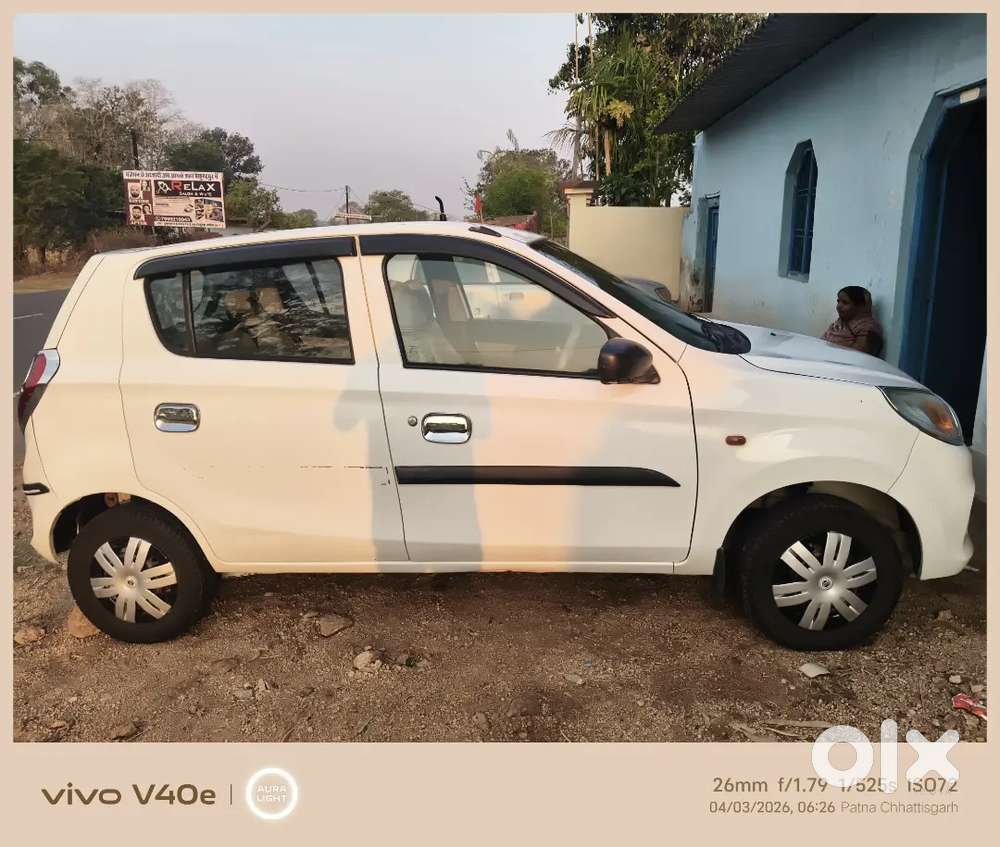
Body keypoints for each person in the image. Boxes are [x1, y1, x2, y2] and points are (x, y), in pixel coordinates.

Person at [821, 286, 883, 356]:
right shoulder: (838, 324)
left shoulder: (869, 328)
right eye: (838, 301)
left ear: (861, 306)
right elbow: (821, 343)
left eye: (845, 302)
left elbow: (860, 356)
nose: (838, 306)